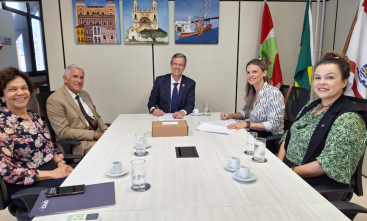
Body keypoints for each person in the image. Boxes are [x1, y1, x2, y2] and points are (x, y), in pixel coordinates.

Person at [278, 52, 367, 188]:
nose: (322, 82)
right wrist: (278, 164)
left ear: (344, 82)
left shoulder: (349, 119)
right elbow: (288, 136)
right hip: (287, 169)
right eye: (317, 78)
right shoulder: (311, 105)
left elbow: (326, 165)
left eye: (330, 77)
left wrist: (287, 172)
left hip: (312, 182)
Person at [0, 67, 74, 206]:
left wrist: (61, 164)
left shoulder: (33, 116)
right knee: (81, 191)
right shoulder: (3, 126)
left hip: (51, 169)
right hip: (28, 184)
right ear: (2, 96)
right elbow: (7, 172)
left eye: (24, 88)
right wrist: (54, 174)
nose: (20, 93)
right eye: (12, 89)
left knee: (87, 175)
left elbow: (50, 147)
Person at [220, 59, 284, 153]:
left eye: (255, 72)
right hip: (255, 134)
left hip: (270, 139)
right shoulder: (253, 92)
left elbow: (273, 125)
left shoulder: (273, 93)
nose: (251, 75)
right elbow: (246, 112)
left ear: (264, 73)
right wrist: (230, 115)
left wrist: (246, 124)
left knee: (233, 149)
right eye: (248, 72)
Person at [47, 64, 108, 156]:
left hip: (97, 135)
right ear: (65, 79)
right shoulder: (55, 100)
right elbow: (64, 132)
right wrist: (95, 135)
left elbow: (96, 116)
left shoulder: (84, 94)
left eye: (82, 78)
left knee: (122, 140)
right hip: (79, 143)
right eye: (75, 77)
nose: (79, 81)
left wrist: (105, 130)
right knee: (110, 148)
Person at [148, 53, 196, 119]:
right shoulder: (160, 81)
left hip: (181, 118)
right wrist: (154, 110)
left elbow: (190, 104)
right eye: (175, 64)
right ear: (171, 65)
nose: (177, 67)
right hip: (162, 117)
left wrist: (181, 112)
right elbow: (151, 101)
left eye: (180, 65)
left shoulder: (190, 83)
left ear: (184, 67)